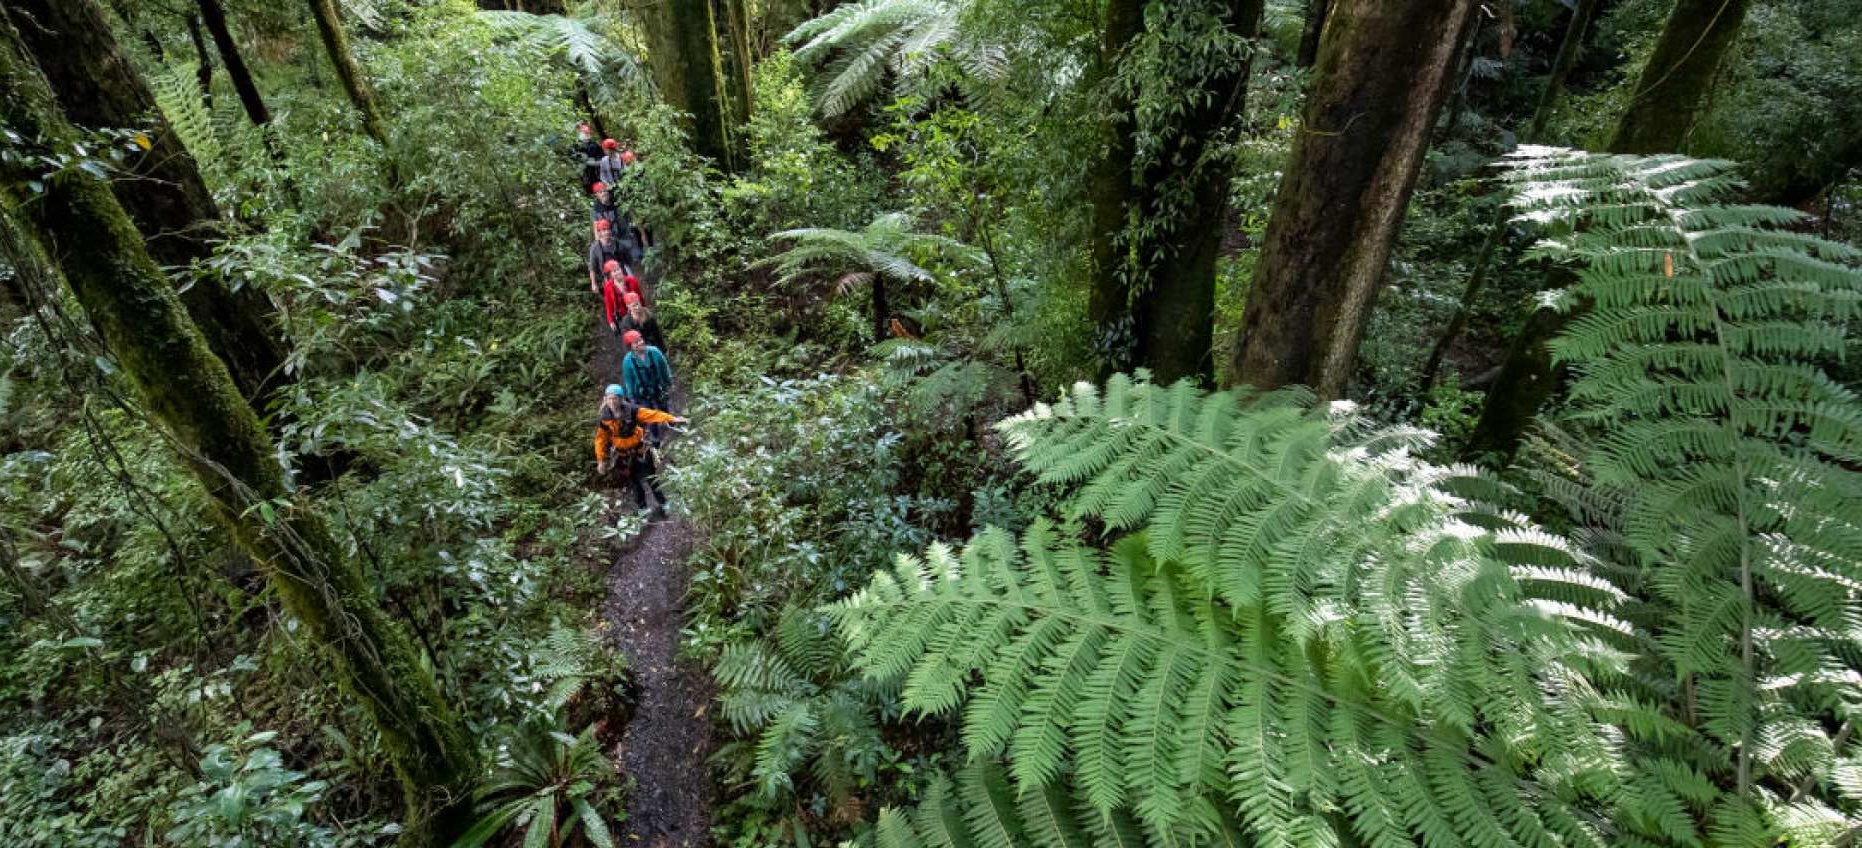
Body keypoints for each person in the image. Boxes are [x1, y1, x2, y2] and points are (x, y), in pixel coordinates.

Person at [593, 385, 685, 519]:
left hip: (640, 450)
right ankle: (642, 509)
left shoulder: (633, 411)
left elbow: (652, 414)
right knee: (635, 484)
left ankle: (664, 503)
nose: (612, 402)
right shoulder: (605, 419)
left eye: (615, 399)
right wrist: (601, 460)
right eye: (609, 399)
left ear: (622, 399)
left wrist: (672, 418)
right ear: (605, 399)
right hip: (622, 457)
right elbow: (600, 440)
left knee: (651, 479)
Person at [620, 329, 674, 447]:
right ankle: (655, 438)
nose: (640, 343)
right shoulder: (628, 361)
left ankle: (670, 421)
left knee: (663, 406)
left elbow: (664, 367)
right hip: (642, 393)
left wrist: (668, 382)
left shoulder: (654, 352)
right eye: (636, 342)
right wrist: (632, 398)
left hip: (658, 386)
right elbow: (629, 381)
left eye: (640, 340)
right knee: (650, 415)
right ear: (631, 347)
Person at [587, 220, 630, 292]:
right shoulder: (595, 248)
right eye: (604, 230)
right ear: (600, 232)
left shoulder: (618, 244)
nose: (607, 232)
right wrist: (593, 284)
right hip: (607, 280)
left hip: (622, 276)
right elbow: (592, 267)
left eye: (608, 229)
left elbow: (627, 263)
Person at [571, 122, 602, 193]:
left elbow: (600, 161)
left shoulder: (594, 146)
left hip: (594, 174)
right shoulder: (576, 146)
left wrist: (588, 162)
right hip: (584, 176)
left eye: (586, 134)